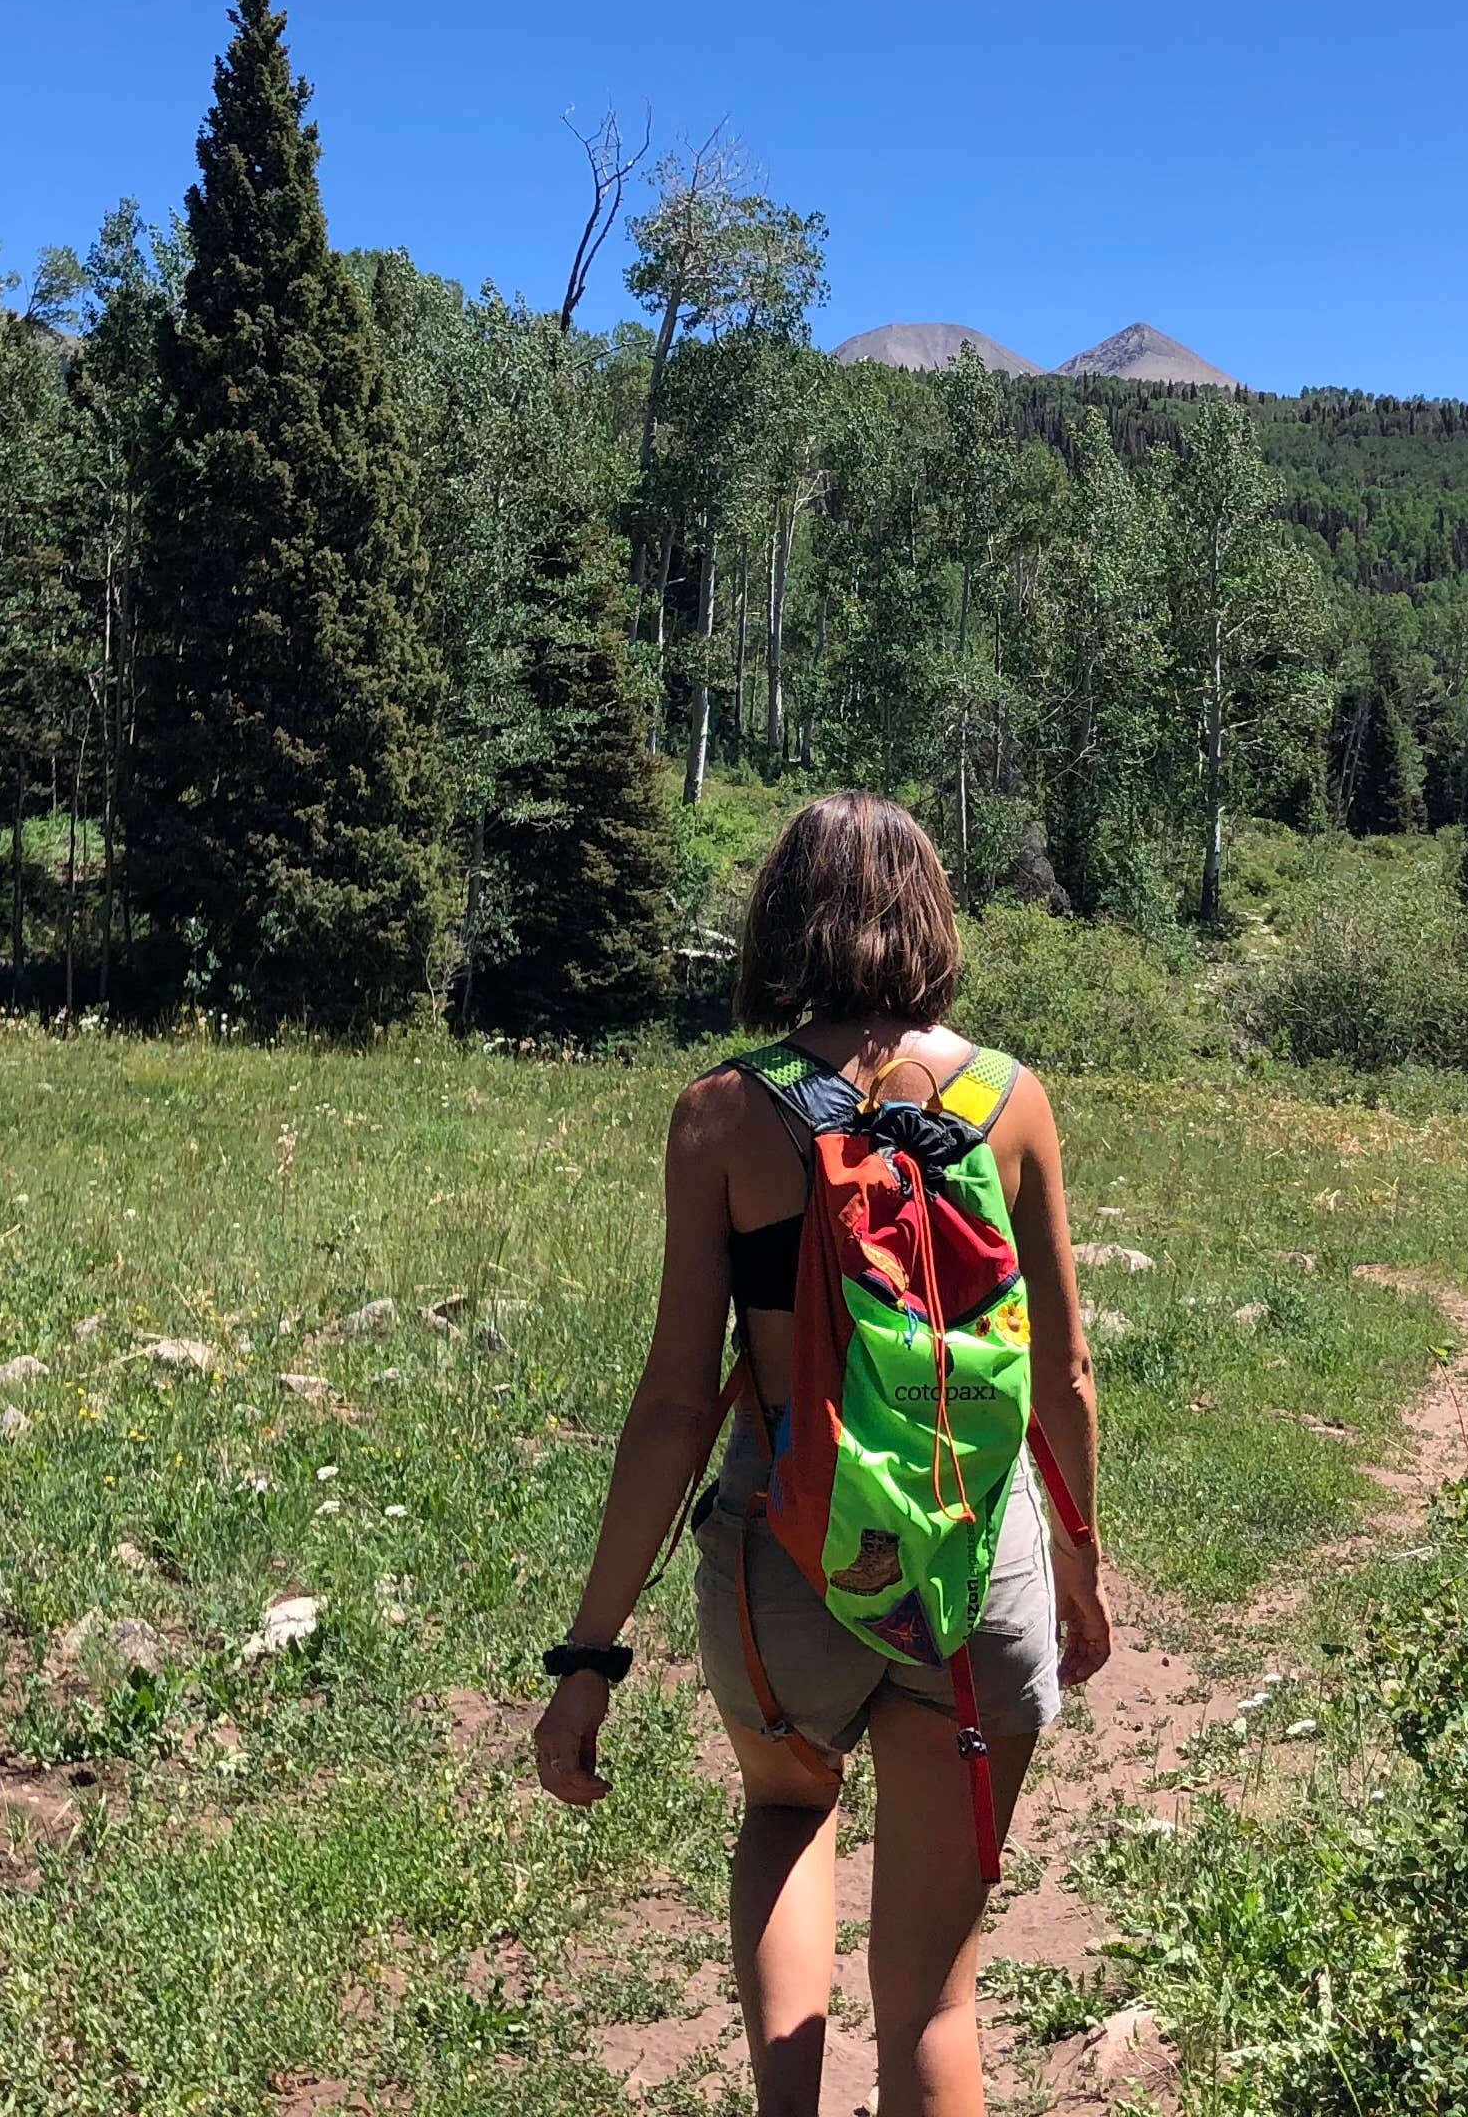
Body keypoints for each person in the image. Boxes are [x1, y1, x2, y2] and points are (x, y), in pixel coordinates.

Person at [532, 791, 1112, 2117]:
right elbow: (1064, 1375)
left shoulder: (720, 1118)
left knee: (789, 1814)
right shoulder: (1013, 1105)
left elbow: (678, 1406)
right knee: (937, 2001)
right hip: (975, 1572)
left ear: (780, 919)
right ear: (930, 919)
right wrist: (1078, 1567)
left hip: (786, 1567)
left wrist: (588, 1657)